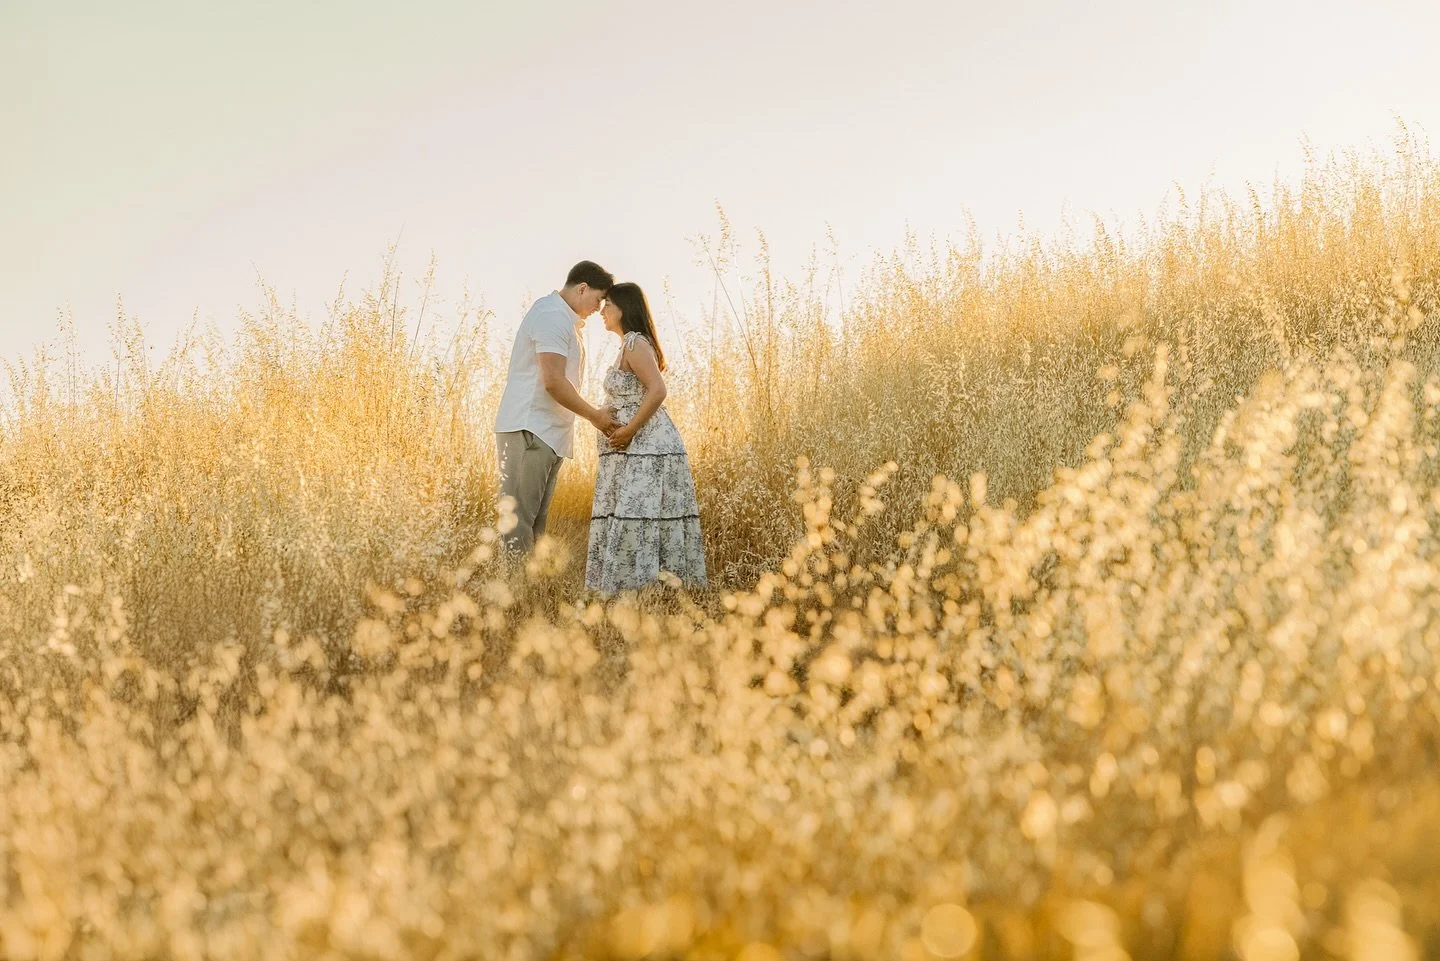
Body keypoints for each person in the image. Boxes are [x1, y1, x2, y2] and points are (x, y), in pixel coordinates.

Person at [585, 282, 707, 594]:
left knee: (641, 517)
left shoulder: (635, 343)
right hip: (633, 448)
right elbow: (631, 394)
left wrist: (629, 430)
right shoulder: (625, 345)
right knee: (635, 517)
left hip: (649, 446)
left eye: (608, 304)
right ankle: (634, 592)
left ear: (624, 308)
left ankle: (651, 590)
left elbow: (657, 390)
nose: (602, 310)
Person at [493, 261, 620, 555]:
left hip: (548, 434)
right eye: (598, 299)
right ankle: (513, 596)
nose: (599, 308)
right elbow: (552, 381)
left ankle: (528, 596)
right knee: (518, 525)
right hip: (530, 430)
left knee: (534, 526)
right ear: (582, 288)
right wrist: (596, 417)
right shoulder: (551, 316)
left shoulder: (565, 321)